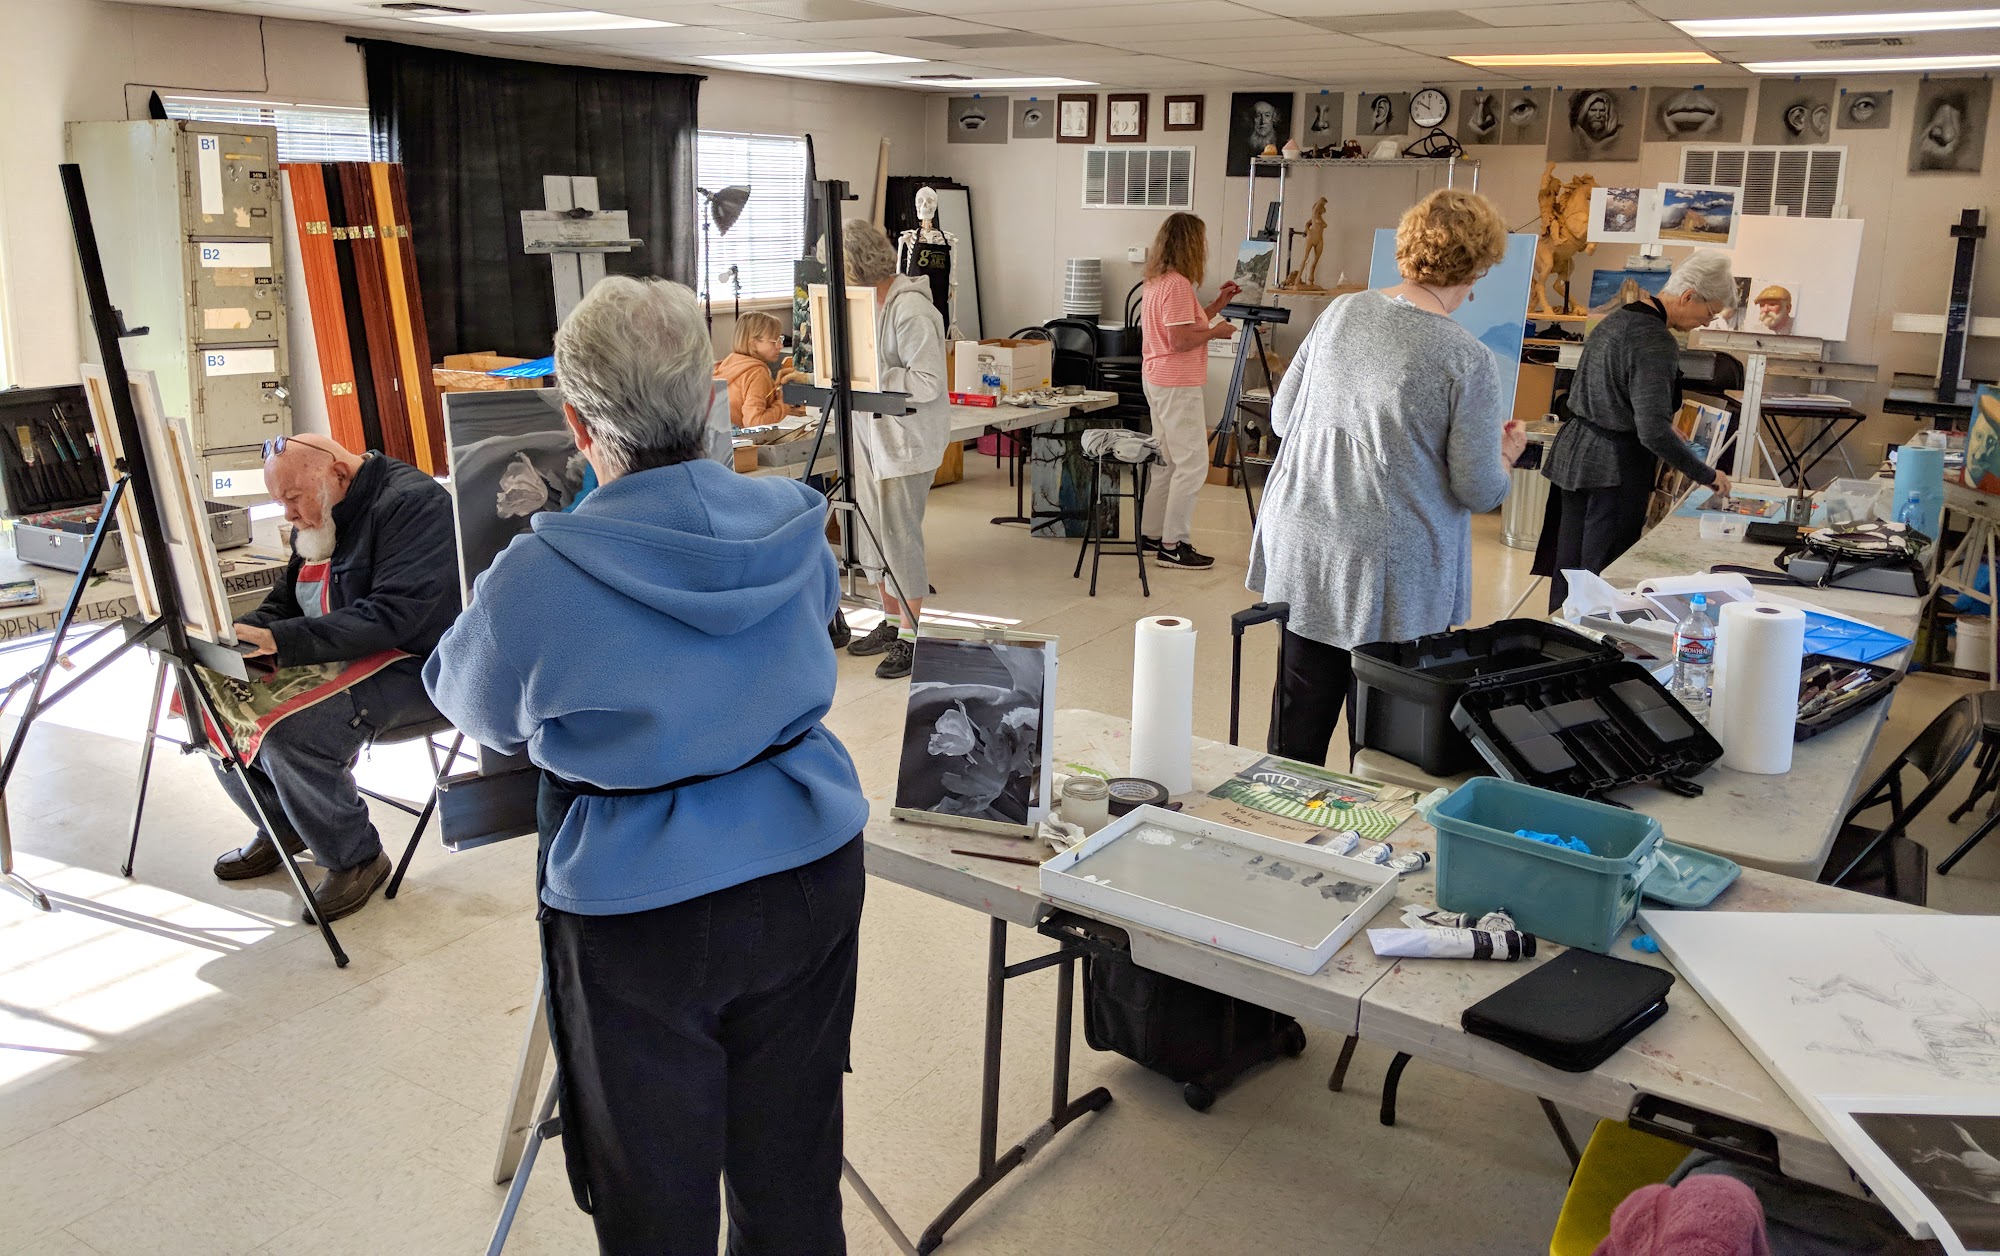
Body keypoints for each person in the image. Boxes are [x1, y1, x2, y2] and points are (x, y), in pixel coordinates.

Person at [423, 275, 869, 1254]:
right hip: (811, 866)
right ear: (709, 401)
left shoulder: (540, 574)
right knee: (793, 1171)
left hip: (642, 910)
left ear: (577, 425)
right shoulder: (797, 520)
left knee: (654, 1199)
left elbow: (470, 703)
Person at [1247, 189, 1527, 765]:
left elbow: (1282, 418)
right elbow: (1477, 489)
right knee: (1381, 737)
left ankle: (1278, 806)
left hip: (1306, 533)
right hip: (1388, 562)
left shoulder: (1341, 312)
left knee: (1298, 714)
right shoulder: (1465, 356)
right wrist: (1504, 458)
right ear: (1476, 267)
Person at [211, 434, 457, 922]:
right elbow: (286, 601)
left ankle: (356, 857)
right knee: (212, 697)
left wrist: (280, 640)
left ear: (339, 474)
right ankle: (284, 824)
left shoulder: (413, 504)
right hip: (340, 652)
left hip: (418, 665)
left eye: (293, 499)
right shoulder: (321, 508)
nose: (288, 515)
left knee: (293, 732)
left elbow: (395, 617)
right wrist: (237, 636)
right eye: (280, 502)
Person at [1538, 250, 1739, 609]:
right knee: (1602, 577)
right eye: (1709, 313)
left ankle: (1558, 634)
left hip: (1576, 455)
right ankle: (1591, 641)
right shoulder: (1655, 339)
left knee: (1569, 570)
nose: (1706, 323)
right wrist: (1707, 475)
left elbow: (1611, 395)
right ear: (1688, 296)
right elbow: (1652, 433)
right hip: (1612, 467)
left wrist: (1654, 419)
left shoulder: (1617, 319)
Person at [837, 218, 950, 679]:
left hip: (906, 440)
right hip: (870, 434)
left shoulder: (912, 309)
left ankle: (911, 635)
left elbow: (928, 381)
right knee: (873, 533)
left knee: (899, 536)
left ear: (854, 265)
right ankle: (889, 621)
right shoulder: (866, 303)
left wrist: (873, 373)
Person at [1140, 212, 1240, 570]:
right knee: (1194, 464)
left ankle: (1151, 535)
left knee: (1166, 461)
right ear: (1192, 244)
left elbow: (1183, 325)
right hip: (1176, 382)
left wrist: (1216, 307)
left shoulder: (1157, 281)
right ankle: (1174, 545)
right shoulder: (1178, 285)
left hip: (1157, 377)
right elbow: (1180, 340)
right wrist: (1217, 332)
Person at [714, 310, 804, 428]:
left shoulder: (726, 365)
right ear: (753, 344)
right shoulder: (757, 373)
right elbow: (754, 422)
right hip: (741, 437)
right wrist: (785, 402)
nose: (780, 346)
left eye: (781, 339)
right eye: (774, 341)